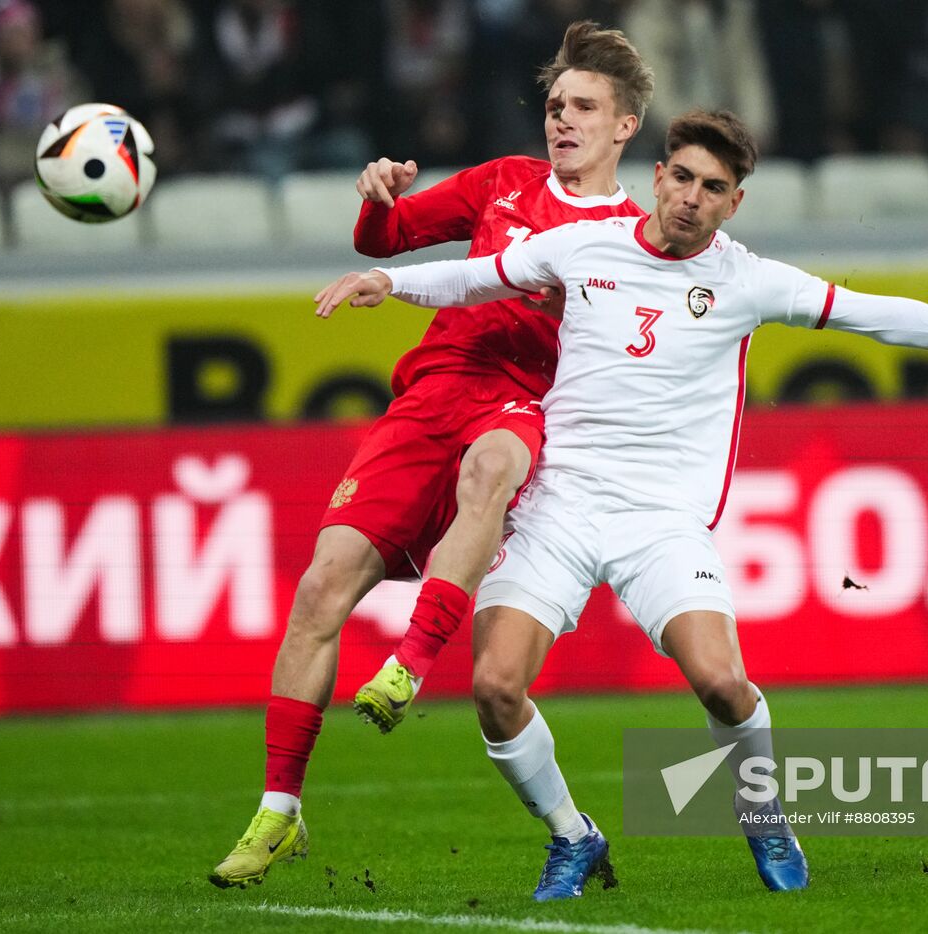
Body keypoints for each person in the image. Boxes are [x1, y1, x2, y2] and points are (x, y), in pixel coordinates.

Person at [312, 109, 928, 899]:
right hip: (555, 509)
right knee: (493, 689)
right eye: (684, 178)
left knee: (724, 685)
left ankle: (763, 813)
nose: (692, 198)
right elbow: (470, 276)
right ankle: (573, 837)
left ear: (735, 203)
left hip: (661, 524)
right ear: (658, 179)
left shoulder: (745, 279)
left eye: (714, 187)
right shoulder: (584, 246)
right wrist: (387, 278)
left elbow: (879, 317)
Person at [207, 21, 653, 889]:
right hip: (431, 392)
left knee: (492, 467)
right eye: (556, 105)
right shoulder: (502, 184)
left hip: (521, 399)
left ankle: (412, 660)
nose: (562, 121)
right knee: (319, 588)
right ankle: (279, 811)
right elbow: (385, 242)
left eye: (584, 108)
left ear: (625, 126)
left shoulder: (637, 237)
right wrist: (379, 195)